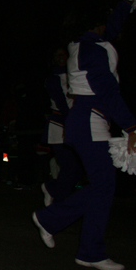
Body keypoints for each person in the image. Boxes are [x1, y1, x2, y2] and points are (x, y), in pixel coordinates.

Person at [32, 0, 136, 270]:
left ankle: (87, 248)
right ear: (95, 26)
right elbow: (108, 92)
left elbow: (110, 28)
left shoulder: (81, 45)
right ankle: (57, 223)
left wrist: (129, 0)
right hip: (90, 121)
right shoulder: (95, 50)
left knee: (103, 185)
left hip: (86, 120)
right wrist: (132, 127)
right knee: (103, 184)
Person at [40, 46, 83, 205]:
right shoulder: (53, 78)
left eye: (63, 54)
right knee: (69, 166)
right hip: (60, 126)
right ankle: (58, 201)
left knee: (77, 168)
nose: (61, 57)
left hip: (75, 124)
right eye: (58, 54)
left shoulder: (76, 74)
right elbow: (62, 103)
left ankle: (53, 189)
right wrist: (71, 122)